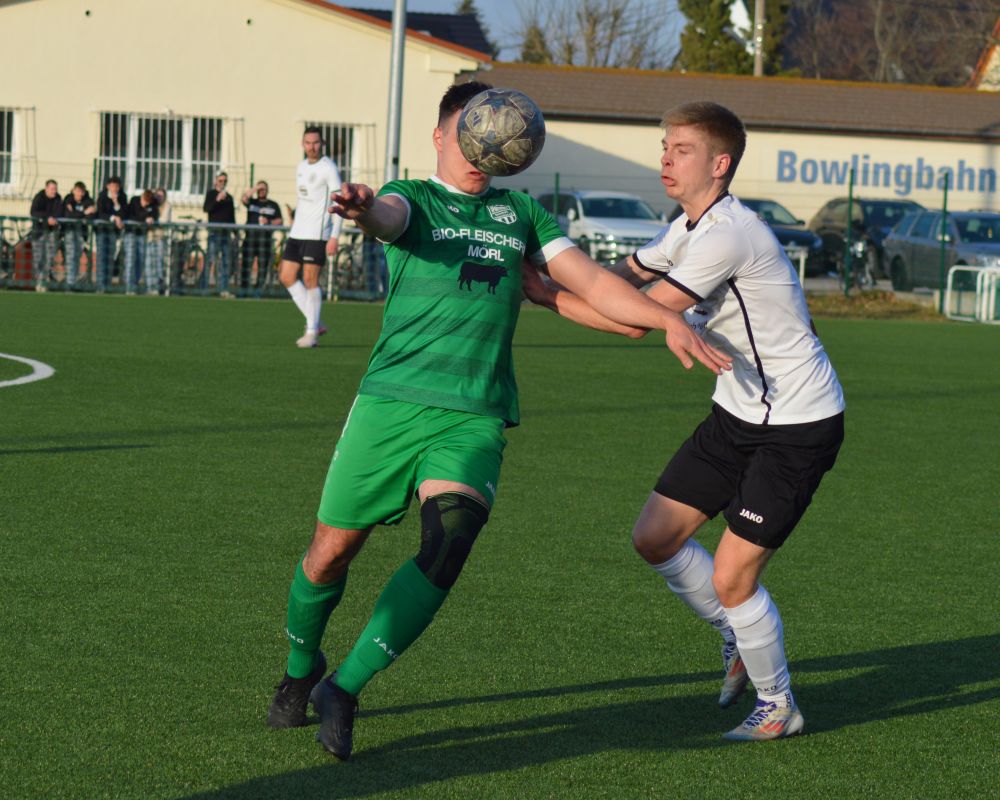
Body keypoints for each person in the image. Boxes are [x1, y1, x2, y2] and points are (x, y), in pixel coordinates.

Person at [265, 81, 731, 761]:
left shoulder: (520, 214)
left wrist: (665, 319)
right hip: (389, 405)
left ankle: (345, 686)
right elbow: (387, 216)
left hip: (473, 415)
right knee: (330, 552)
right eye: (472, 132)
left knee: (451, 535)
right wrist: (363, 207)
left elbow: (591, 282)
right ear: (441, 137)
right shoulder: (414, 198)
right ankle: (300, 667)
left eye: (498, 132)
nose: (485, 145)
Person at [522, 101, 845, 741]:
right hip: (736, 412)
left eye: (683, 149)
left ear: (720, 164)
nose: (667, 159)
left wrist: (541, 292)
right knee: (655, 537)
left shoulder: (729, 235)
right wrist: (550, 261)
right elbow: (616, 282)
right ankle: (736, 635)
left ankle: (778, 706)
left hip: (798, 424)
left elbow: (633, 318)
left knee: (732, 576)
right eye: (665, 147)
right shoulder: (687, 227)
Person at [278, 127, 342, 347]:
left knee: (310, 279)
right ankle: (315, 321)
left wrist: (334, 236)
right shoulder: (301, 166)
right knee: (286, 276)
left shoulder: (328, 168)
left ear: (322, 144)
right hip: (298, 232)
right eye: (308, 142)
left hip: (318, 233)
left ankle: (312, 331)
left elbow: (339, 202)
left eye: (315, 142)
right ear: (302, 144)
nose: (312, 147)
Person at [240, 180, 282, 296]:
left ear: (267, 190)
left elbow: (279, 221)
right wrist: (255, 188)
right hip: (250, 240)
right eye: (260, 189)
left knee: (263, 267)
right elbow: (244, 198)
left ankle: (258, 292)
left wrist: (269, 222)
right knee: (246, 265)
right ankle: (243, 291)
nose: (261, 191)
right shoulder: (252, 202)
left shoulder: (273, 205)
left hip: (265, 241)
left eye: (264, 189)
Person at [203, 171, 235, 298]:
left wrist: (235, 232)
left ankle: (224, 289)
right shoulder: (211, 194)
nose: (223, 183)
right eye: (220, 180)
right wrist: (217, 199)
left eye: (225, 181)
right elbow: (206, 209)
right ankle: (204, 288)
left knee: (226, 262)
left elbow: (232, 216)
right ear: (216, 181)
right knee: (211, 260)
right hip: (214, 233)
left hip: (226, 233)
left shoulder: (229, 197)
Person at [95, 177, 127, 293]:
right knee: (101, 258)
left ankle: (107, 285)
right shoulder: (102, 196)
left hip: (113, 232)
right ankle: (100, 286)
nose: (115, 189)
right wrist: (113, 218)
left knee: (110, 258)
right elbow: (100, 213)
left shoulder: (122, 197)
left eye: (117, 186)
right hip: (102, 231)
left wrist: (116, 202)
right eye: (113, 186)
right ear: (108, 186)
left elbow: (123, 213)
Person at [29, 180, 62, 292]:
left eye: (55, 189)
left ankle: (44, 281)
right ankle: (39, 282)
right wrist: (47, 219)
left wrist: (53, 219)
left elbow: (59, 212)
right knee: (38, 258)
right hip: (38, 233)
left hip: (52, 232)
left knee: (49, 258)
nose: (54, 191)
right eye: (52, 189)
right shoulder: (39, 197)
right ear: (46, 188)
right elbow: (34, 212)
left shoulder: (58, 198)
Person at [62, 181, 96, 290]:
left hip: (82, 233)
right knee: (70, 256)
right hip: (70, 231)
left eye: (81, 192)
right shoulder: (68, 199)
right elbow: (69, 215)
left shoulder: (88, 201)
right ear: (73, 191)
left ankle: (73, 281)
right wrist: (84, 213)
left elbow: (91, 216)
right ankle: (69, 283)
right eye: (77, 191)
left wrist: (80, 215)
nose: (79, 194)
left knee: (77, 256)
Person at [124, 189, 158, 295]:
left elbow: (154, 214)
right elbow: (131, 216)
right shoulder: (134, 201)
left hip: (142, 235)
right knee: (130, 260)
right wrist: (144, 218)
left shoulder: (152, 204)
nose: (146, 204)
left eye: (148, 202)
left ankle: (135, 284)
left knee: (140, 260)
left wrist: (151, 218)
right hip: (131, 233)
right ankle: (129, 286)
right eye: (144, 201)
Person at [145, 187, 171, 295]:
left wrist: (154, 220)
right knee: (149, 263)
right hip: (150, 237)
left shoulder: (167, 206)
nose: (159, 197)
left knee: (159, 263)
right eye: (157, 195)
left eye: (161, 196)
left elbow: (164, 220)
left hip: (160, 238)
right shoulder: (152, 205)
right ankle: (150, 287)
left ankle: (158, 286)